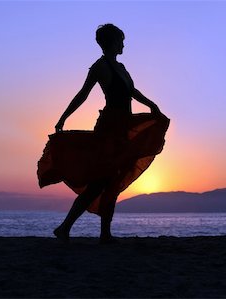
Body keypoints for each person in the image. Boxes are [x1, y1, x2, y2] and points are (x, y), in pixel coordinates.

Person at [37, 24, 169, 244]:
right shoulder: (100, 67)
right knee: (101, 182)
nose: (123, 44)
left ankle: (98, 232)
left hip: (123, 129)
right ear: (111, 42)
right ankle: (70, 228)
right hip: (109, 129)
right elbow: (83, 94)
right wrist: (63, 118)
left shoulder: (122, 67)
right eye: (121, 40)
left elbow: (132, 92)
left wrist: (151, 105)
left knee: (112, 182)